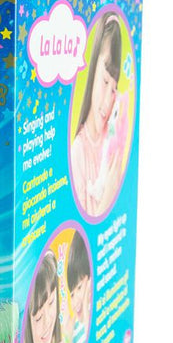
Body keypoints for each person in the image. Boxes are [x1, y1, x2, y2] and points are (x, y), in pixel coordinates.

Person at [72, 15, 127, 217]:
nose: (107, 102)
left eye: (113, 90)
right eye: (105, 81)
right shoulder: (78, 152)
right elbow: (85, 222)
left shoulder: (109, 141)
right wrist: (110, 189)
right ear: (92, 67)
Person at [65, 233, 91, 343]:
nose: (75, 300)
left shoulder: (91, 314)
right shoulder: (75, 326)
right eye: (72, 294)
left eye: (80, 287)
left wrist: (85, 308)